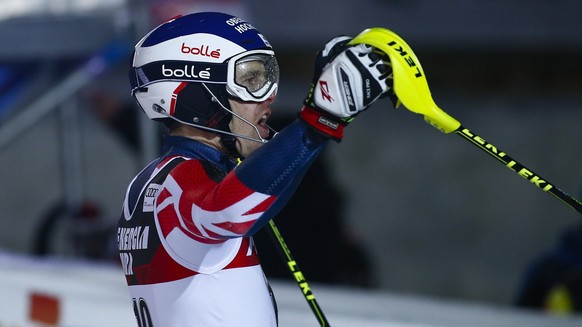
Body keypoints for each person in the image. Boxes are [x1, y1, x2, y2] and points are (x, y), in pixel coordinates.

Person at [116, 11, 393, 326]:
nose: (269, 97)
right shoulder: (178, 179)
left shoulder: (157, 179)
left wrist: (319, 117)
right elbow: (229, 214)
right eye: (250, 79)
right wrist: (320, 120)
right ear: (197, 94)